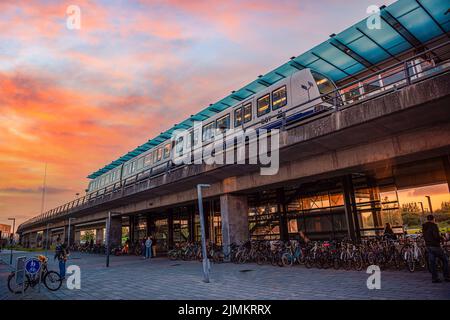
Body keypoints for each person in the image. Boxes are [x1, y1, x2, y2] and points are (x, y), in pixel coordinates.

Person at [422, 215, 449, 283]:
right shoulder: (434, 226)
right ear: (433, 219)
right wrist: (442, 238)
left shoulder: (424, 226)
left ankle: (434, 278)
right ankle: (447, 276)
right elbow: (436, 236)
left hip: (428, 246)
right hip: (435, 246)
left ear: (427, 219)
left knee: (432, 263)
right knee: (445, 260)